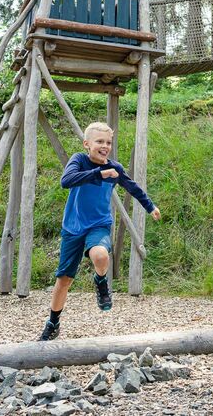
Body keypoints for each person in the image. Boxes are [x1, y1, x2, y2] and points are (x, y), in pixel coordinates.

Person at [39, 122, 161, 341]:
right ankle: (53, 323)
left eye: (108, 142)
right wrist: (99, 173)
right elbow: (66, 181)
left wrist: (150, 206)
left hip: (99, 224)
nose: (105, 146)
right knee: (64, 280)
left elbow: (132, 187)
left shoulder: (116, 169)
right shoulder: (79, 160)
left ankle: (101, 281)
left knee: (101, 255)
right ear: (87, 144)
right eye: (99, 142)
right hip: (73, 228)